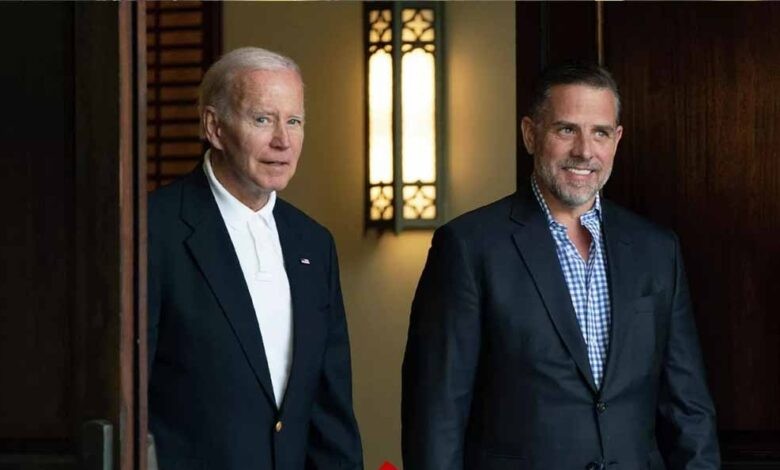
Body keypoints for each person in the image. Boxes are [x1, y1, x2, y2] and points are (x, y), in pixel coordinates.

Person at [401, 61, 719, 469]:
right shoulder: (468, 247)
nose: (584, 151)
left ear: (617, 140)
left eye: (600, 132)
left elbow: (689, 409)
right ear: (530, 134)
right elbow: (436, 416)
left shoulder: (657, 250)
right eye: (566, 129)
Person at [148, 47, 363, 469]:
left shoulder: (313, 243)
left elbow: (330, 409)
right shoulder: (153, 229)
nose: (283, 140)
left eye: (294, 121)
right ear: (214, 127)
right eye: (263, 119)